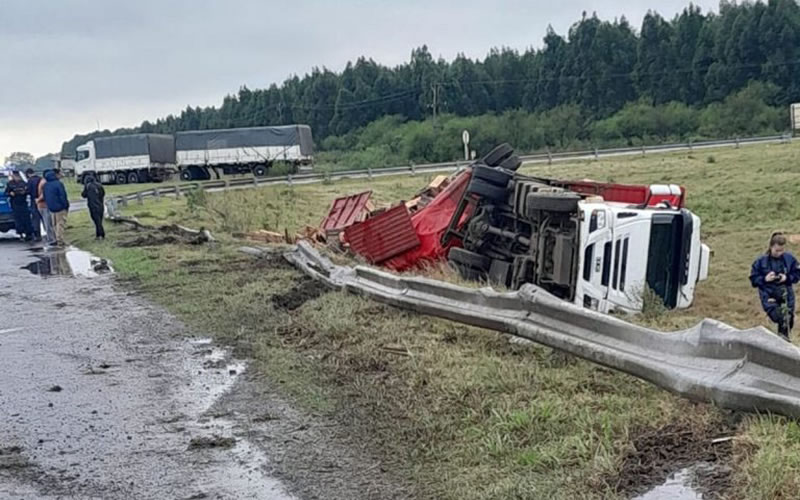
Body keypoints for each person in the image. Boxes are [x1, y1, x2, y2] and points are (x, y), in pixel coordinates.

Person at [750, 232, 800, 341]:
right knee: (781, 317)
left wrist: (786, 277)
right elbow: (753, 279)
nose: (779, 253)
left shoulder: (790, 259)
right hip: (769, 296)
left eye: (782, 250)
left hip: (786, 295)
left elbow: (797, 274)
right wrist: (765, 279)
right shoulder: (760, 262)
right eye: (777, 250)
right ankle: (779, 341)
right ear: (771, 247)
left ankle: (784, 342)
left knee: (788, 320)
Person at [42, 169, 69, 247]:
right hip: (60, 207)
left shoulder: (46, 185)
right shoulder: (58, 184)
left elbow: (45, 196)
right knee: (60, 223)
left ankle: (56, 238)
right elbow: (62, 195)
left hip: (51, 207)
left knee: (54, 224)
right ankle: (60, 240)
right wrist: (65, 205)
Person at [4, 170, 33, 241]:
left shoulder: (24, 183)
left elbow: (29, 191)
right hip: (15, 204)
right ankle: (20, 233)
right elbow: (6, 193)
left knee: (26, 219)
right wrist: (10, 193)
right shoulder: (10, 184)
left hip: (23, 203)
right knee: (18, 220)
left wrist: (24, 192)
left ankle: (28, 233)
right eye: (14, 176)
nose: (16, 177)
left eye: (17, 176)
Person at [81, 174, 105, 239]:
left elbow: (83, 195)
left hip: (93, 206)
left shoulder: (88, 186)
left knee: (96, 221)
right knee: (99, 220)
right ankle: (98, 234)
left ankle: (101, 234)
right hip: (100, 205)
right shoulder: (99, 185)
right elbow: (103, 194)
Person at [37, 170, 55, 245]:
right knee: (48, 223)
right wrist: (38, 200)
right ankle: (51, 239)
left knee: (47, 222)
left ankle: (51, 238)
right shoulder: (44, 183)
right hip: (44, 205)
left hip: (42, 205)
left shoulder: (42, 181)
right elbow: (44, 194)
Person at [25, 168, 42, 242]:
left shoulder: (30, 181)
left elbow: (28, 191)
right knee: (45, 218)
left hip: (34, 201)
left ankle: (37, 235)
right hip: (43, 200)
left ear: (28, 174)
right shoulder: (40, 179)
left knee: (35, 218)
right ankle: (50, 235)